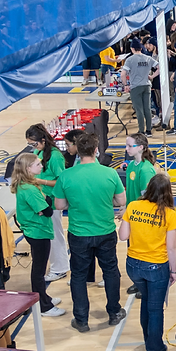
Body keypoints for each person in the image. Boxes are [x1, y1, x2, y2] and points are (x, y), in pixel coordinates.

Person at [53, 132, 127, 333]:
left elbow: (59, 205)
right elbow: (121, 201)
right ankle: (114, 312)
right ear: (96, 150)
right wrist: (106, 201)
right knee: (111, 271)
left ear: (77, 151)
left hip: (79, 233)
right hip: (105, 231)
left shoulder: (66, 176)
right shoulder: (110, 174)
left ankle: (81, 319)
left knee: (78, 276)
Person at [118, 174, 176, 351]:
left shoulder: (133, 206)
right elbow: (172, 247)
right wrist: (174, 271)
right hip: (156, 267)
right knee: (155, 308)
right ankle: (155, 349)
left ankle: (148, 340)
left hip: (133, 265)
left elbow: (122, 236)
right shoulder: (169, 214)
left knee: (146, 302)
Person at [10, 153, 65, 318]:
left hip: (36, 229)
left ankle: (44, 297)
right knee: (39, 269)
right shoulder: (29, 189)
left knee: (39, 267)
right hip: (37, 231)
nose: (41, 167)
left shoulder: (27, 184)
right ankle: (43, 306)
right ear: (28, 168)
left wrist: (45, 204)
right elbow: (48, 210)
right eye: (38, 165)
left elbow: (47, 202)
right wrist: (45, 204)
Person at [25, 124, 70, 281]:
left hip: (52, 201)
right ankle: (57, 264)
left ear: (43, 140)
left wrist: (40, 181)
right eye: (29, 145)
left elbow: (61, 180)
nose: (32, 147)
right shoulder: (39, 152)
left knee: (55, 235)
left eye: (34, 144)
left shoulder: (55, 156)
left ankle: (60, 268)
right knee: (49, 234)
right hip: (42, 199)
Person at [122, 39, 159, 135]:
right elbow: (160, 67)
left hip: (136, 87)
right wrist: (152, 76)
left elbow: (123, 74)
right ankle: (149, 130)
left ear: (132, 48)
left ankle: (141, 130)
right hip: (146, 85)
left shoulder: (130, 60)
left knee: (139, 109)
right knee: (147, 108)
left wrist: (125, 85)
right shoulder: (148, 58)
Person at [123, 133, 157, 203]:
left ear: (140, 147)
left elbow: (147, 198)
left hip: (139, 212)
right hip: (131, 209)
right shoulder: (131, 165)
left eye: (130, 146)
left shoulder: (146, 170)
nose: (126, 149)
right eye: (126, 145)